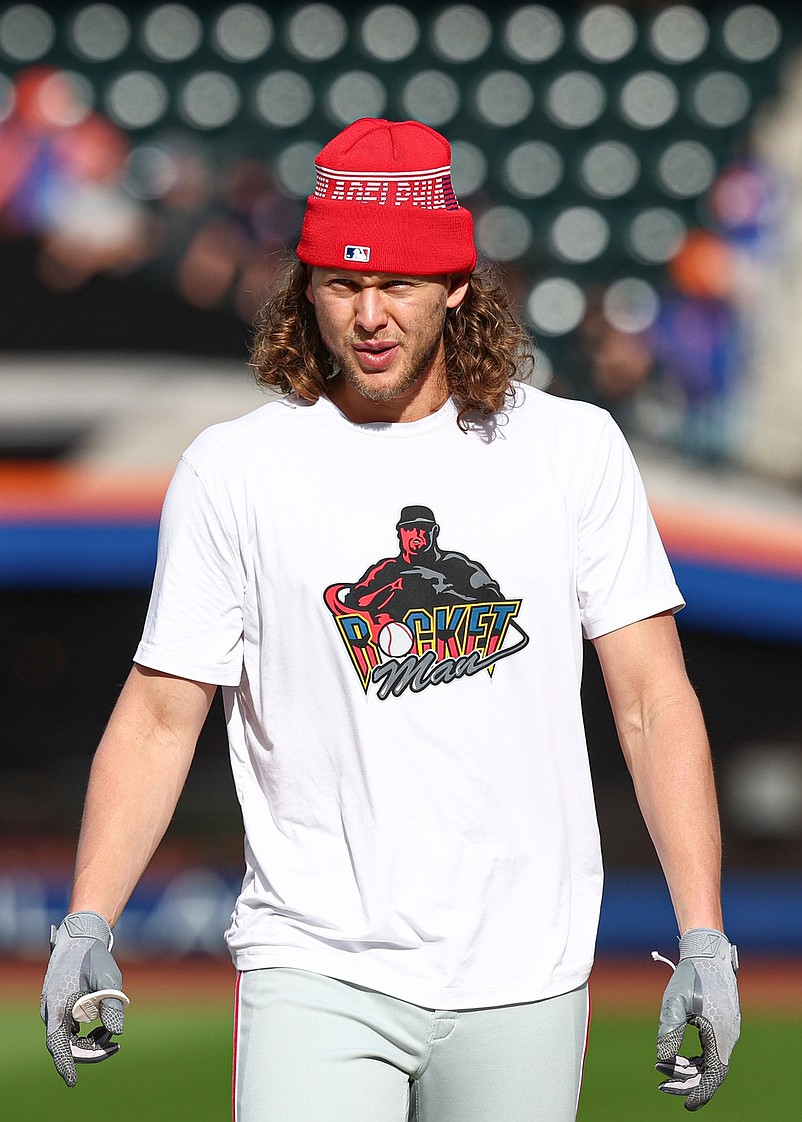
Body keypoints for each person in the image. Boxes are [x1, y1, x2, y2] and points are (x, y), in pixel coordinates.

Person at [40, 118, 740, 1120]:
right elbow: (160, 712)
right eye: (341, 283)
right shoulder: (235, 470)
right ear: (306, 288)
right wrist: (85, 920)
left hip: (525, 967)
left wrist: (704, 937)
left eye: (398, 284)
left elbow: (650, 701)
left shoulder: (571, 450)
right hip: (313, 963)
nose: (369, 314)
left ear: (456, 286)